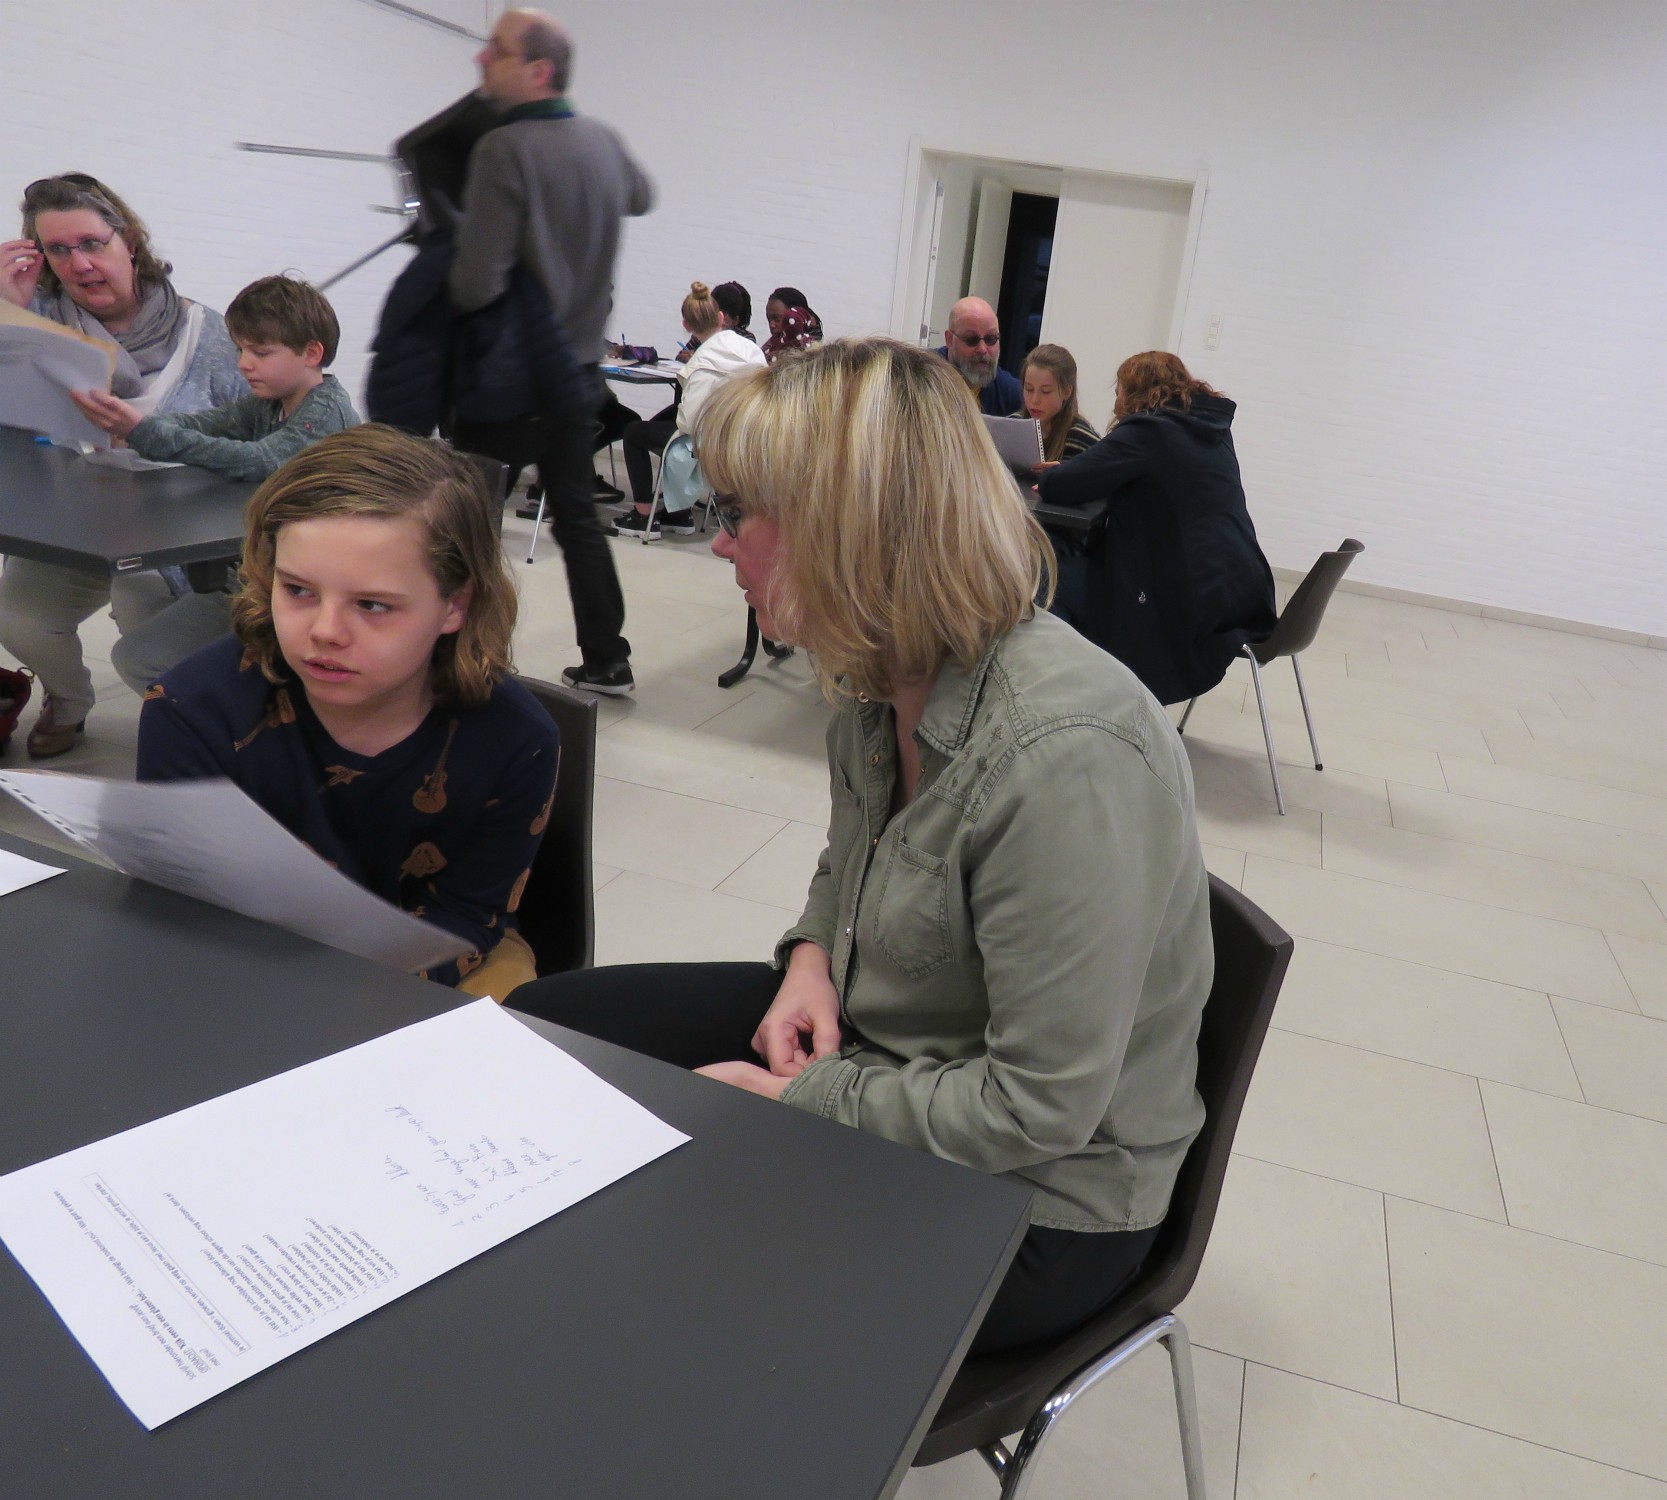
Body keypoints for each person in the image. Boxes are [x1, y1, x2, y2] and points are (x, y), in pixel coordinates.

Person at [509, 338, 1213, 1357]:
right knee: (545, 1026)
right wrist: (807, 957)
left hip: (1040, 1204)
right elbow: (852, 862)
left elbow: (1038, 1110)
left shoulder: (1065, 757)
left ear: (850, 534)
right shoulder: (877, 670)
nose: (723, 546)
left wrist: (803, 1099)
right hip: (899, 1050)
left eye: (743, 517)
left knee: (653, 1260)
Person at [136, 425, 559, 998]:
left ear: (455, 605)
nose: (325, 632)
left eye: (373, 605)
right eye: (298, 591)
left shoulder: (517, 738)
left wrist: (342, 997)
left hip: (438, 953)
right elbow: (176, 906)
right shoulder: (191, 710)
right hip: (245, 951)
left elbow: (466, 920)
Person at [0, 172, 246, 757]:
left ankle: (174, 722)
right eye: (57, 250)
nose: (79, 264)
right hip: (76, 525)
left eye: (91, 243)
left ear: (128, 240)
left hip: (178, 535)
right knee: (16, 612)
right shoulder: (33, 328)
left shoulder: (208, 335)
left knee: (143, 607)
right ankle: (69, 697)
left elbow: (255, 447)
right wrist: (9, 317)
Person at [448, 8, 653, 698]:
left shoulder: (504, 150)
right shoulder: (604, 142)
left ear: (537, 70)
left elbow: (477, 283)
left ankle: (463, 660)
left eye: (495, 51)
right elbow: (640, 195)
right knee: (575, 520)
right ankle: (606, 656)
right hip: (576, 376)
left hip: (507, 379)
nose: (481, 61)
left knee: (465, 523)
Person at [69, 274, 362, 694]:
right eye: (241, 349)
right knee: (140, 632)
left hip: (299, 591)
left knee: (140, 660)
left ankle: (214, 737)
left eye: (260, 352)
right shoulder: (269, 403)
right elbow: (205, 424)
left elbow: (259, 460)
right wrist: (137, 424)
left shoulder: (326, 415)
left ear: (311, 353)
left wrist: (142, 433)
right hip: (263, 576)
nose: (244, 363)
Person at [1038, 350, 1277, 706]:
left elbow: (1063, 485)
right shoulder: (1209, 430)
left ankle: (1069, 700)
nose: (1116, 400)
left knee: (1049, 579)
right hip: (1238, 591)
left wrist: (1058, 473)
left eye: (1119, 390)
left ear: (1132, 393)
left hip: (1184, 602)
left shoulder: (1150, 430)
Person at [612, 282, 766, 537]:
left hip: (709, 441)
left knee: (634, 431)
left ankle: (642, 516)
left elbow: (689, 423)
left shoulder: (702, 362)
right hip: (745, 437)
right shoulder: (751, 350)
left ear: (686, 326)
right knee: (661, 421)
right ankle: (678, 514)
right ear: (720, 317)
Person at [936, 295, 1022, 416]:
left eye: (991, 339)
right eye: (971, 339)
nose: (982, 349)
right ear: (949, 340)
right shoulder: (919, 379)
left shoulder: (1010, 393)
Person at [1021, 343, 1099, 468]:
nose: (1034, 400)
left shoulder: (1081, 438)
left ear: (1067, 392)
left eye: (1046, 391)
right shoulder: (1012, 424)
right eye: (1029, 389)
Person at [760, 286, 822, 363]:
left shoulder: (815, 354)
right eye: (769, 319)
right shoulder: (767, 350)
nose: (772, 325)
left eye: (777, 319)